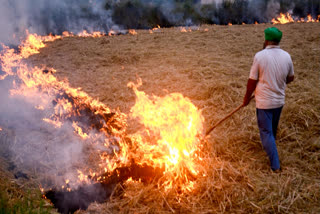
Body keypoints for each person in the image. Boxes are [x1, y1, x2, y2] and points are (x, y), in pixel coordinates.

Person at [243, 27, 294, 172]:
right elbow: (291, 77)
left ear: (266, 40)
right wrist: (278, 82)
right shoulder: (286, 56)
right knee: (272, 129)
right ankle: (270, 148)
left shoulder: (260, 56)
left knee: (266, 132)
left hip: (264, 102)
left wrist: (246, 98)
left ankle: (275, 165)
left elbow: (252, 81)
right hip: (279, 101)